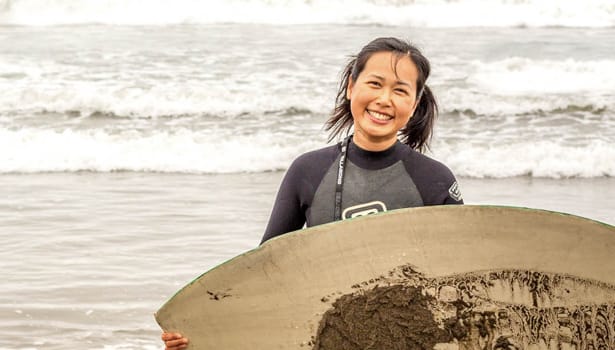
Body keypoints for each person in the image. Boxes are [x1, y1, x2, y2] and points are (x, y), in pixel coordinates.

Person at [161, 36, 463, 350]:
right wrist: (200, 335)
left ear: (414, 104)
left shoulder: (434, 180)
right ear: (351, 87)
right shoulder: (308, 171)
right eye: (375, 83)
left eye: (400, 90)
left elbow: (461, 284)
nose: (385, 99)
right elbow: (267, 273)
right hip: (327, 338)